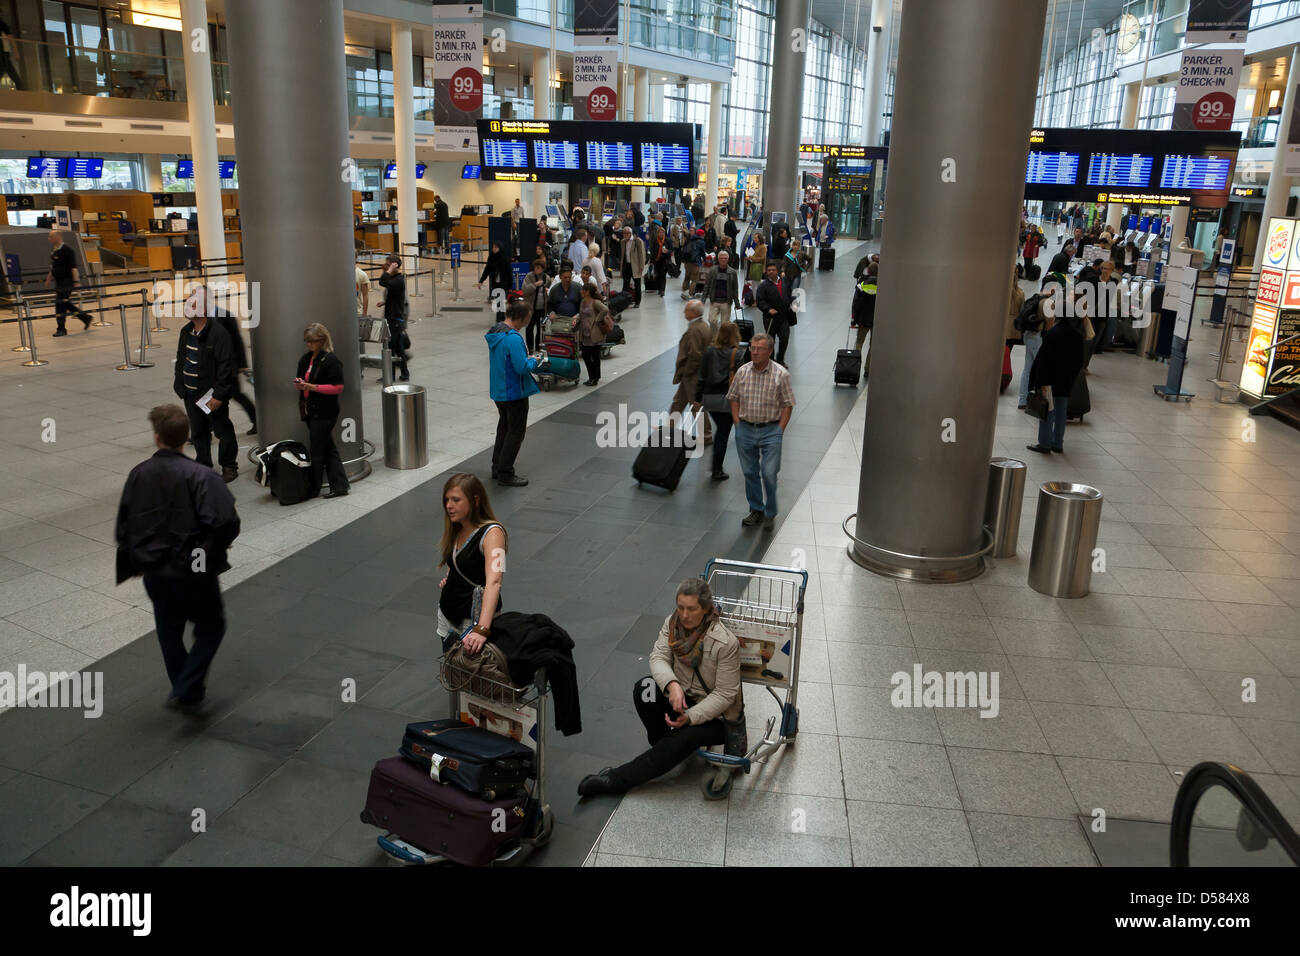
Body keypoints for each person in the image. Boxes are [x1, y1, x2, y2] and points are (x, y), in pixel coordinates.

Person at [116, 404, 239, 712]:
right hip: (193, 570)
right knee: (211, 625)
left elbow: (125, 524)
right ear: (186, 438)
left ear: (157, 438)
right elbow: (225, 521)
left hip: (156, 570)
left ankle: (186, 689)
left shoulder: (138, 474)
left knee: (168, 630)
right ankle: (187, 685)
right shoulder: (201, 476)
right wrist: (208, 552)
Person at [577, 578, 741, 797]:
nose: (684, 615)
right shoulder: (672, 625)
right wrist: (672, 685)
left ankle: (614, 779)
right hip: (681, 697)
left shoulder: (725, 643)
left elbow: (725, 694)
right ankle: (665, 745)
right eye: (680, 607)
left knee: (686, 737)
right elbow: (658, 657)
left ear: (705, 609)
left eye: (691, 609)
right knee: (644, 688)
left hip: (715, 716)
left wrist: (691, 716)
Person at [728, 332, 795, 527]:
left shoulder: (781, 374)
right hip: (746, 429)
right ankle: (756, 509)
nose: (755, 352)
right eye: (752, 348)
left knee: (768, 472)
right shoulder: (742, 372)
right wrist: (737, 424)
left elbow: (788, 404)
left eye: (760, 349)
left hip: (770, 430)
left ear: (770, 351)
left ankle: (771, 510)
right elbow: (733, 398)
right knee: (750, 472)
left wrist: (779, 430)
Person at [436, 473, 508, 653]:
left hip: (473, 621)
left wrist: (482, 629)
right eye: (447, 500)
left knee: (477, 675)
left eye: (456, 500)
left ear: (475, 501)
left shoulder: (493, 534)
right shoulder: (457, 527)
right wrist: (451, 578)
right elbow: (458, 561)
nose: (449, 506)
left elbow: (495, 581)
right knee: (453, 673)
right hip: (447, 616)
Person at [172, 291, 238, 482]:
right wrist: (179, 384)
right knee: (199, 432)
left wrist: (218, 395)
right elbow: (181, 359)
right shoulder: (185, 331)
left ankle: (229, 466)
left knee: (222, 430)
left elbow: (226, 367)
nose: (187, 307)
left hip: (211, 394)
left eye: (192, 305)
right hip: (190, 393)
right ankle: (203, 465)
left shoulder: (219, 334)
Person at [486, 298, 542, 487]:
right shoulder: (513, 338)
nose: (528, 322)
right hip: (514, 392)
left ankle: (497, 466)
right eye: (527, 319)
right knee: (515, 432)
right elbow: (522, 367)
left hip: (499, 391)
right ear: (521, 317)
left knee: (504, 427)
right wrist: (535, 360)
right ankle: (506, 472)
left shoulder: (496, 332)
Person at [191, 284, 257, 437]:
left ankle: (256, 420)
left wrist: (242, 365)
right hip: (209, 369)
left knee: (236, 395)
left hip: (228, 367)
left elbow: (237, 340)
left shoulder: (226, 316)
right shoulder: (199, 317)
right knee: (206, 397)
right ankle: (204, 428)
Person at [293, 323, 350, 499]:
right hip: (310, 409)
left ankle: (313, 488)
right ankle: (340, 485)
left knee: (317, 450)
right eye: (307, 341)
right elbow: (302, 379)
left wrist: (312, 386)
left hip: (325, 412)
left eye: (313, 341)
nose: (309, 345)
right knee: (327, 447)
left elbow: (337, 388)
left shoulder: (331, 361)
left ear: (322, 340)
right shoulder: (305, 359)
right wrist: (301, 384)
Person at [1026, 305, 1086, 455]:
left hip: (1049, 379)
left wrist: (1037, 382)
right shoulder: (1078, 336)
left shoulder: (1052, 334)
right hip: (1066, 380)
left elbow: (1043, 360)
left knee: (1047, 411)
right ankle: (1057, 443)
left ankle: (1045, 444)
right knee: (1061, 412)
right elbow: (1080, 361)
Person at [695, 321, 748, 481]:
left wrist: (698, 398)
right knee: (723, 433)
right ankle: (717, 469)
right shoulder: (738, 354)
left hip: (709, 399)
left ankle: (717, 467)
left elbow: (701, 376)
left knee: (721, 430)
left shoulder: (709, 351)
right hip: (727, 400)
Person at [669, 299, 714, 445]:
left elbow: (695, 355)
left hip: (692, 374)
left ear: (693, 312)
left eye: (686, 310)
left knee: (696, 405)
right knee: (679, 401)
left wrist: (687, 372)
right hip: (694, 373)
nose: (684, 312)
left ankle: (706, 435)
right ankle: (668, 429)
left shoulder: (694, 330)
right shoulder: (703, 325)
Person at [1018, 271, 1058, 409]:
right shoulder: (1048, 302)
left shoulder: (1034, 298)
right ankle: (1039, 403)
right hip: (1039, 338)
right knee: (1041, 370)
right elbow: (1050, 324)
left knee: (1028, 368)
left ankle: (1023, 400)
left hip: (1028, 335)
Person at [45, 230, 94, 336]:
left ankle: (61, 329)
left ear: (58, 237)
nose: (49, 239)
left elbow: (74, 267)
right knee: (64, 302)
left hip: (67, 281)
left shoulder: (67, 250)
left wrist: (76, 282)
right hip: (59, 281)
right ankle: (86, 318)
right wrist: (49, 278)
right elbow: (53, 267)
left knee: (60, 304)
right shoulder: (54, 250)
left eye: (51, 236)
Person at [755, 261, 793, 366]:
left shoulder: (784, 281)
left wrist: (792, 303)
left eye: (773, 270)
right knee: (770, 341)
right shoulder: (763, 286)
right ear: (766, 272)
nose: (771, 272)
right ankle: (770, 361)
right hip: (770, 318)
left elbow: (789, 294)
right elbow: (759, 301)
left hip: (783, 317)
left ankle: (780, 359)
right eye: (769, 270)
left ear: (777, 271)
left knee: (784, 338)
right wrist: (768, 309)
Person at [377, 253, 409, 381]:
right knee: (398, 348)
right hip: (394, 316)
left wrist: (389, 270)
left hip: (395, 319)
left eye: (389, 264)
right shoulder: (395, 279)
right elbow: (394, 294)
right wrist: (385, 302)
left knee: (390, 348)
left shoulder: (398, 279)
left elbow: (382, 281)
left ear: (395, 265)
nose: (386, 266)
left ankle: (390, 376)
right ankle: (404, 374)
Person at [576, 281, 613, 386]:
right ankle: (592, 376)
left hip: (594, 333)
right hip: (585, 333)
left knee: (595, 356)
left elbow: (605, 309)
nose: (581, 291)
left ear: (587, 292)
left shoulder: (595, 302)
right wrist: (577, 320)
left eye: (583, 290)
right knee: (586, 355)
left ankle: (594, 378)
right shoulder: (582, 302)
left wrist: (597, 320)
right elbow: (581, 314)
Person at [700, 249, 740, 331]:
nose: (723, 260)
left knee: (725, 325)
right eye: (721, 258)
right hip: (714, 300)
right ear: (718, 259)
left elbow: (735, 288)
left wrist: (737, 303)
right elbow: (707, 286)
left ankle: (722, 341)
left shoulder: (732, 272)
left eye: (725, 258)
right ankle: (715, 338)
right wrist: (702, 300)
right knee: (711, 320)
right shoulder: (712, 271)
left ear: (728, 259)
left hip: (726, 301)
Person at [851, 261, 878, 378]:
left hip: (862, 319)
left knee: (859, 342)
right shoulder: (882, 286)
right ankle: (867, 369)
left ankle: (855, 367)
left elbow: (855, 304)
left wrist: (854, 319)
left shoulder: (861, 285)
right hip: (876, 321)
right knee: (873, 346)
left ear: (868, 271)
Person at [478, 239, 512, 326]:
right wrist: (481, 281)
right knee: (498, 302)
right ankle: (501, 321)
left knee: (501, 302)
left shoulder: (504, 257)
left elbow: (509, 272)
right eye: (493, 247)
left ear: (500, 248)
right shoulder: (491, 257)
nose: (494, 249)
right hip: (495, 284)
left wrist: (510, 286)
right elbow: (487, 269)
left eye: (496, 247)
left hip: (504, 283)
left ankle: (500, 321)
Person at [521, 258, 549, 353]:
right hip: (531, 308)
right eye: (535, 268)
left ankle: (538, 347)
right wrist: (535, 285)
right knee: (529, 327)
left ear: (542, 268)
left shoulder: (546, 278)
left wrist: (548, 291)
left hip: (542, 308)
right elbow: (524, 289)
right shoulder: (529, 276)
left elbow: (551, 290)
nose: (536, 270)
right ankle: (529, 347)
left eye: (539, 268)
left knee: (540, 328)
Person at [620, 225, 646, 308]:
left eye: (627, 233)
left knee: (637, 285)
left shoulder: (638, 241)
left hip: (635, 266)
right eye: (624, 233)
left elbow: (642, 254)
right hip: (626, 266)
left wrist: (641, 266)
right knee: (625, 285)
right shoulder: (623, 242)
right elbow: (623, 255)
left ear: (630, 233)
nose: (625, 235)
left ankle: (637, 302)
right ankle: (625, 301)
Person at [680, 227, 706, 299]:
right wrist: (704, 260)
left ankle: (684, 292)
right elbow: (702, 253)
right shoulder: (701, 241)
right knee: (695, 279)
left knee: (687, 277)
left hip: (687, 262)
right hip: (695, 262)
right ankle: (690, 294)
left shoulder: (689, 239)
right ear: (702, 235)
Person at [649, 225, 670, 297]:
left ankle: (662, 290)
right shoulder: (655, 240)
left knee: (663, 276)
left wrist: (667, 251)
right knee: (657, 275)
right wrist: (651, 260)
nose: (661, 234)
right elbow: (652, 250)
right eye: (660, 232)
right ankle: (659, 288)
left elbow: (671, 250)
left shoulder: (667, 240)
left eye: (662, 232)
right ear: (657, 233)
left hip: (664, 260)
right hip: (656, 260)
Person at [433, 194, 451, 273]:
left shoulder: (437, 205)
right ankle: (447, 250)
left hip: (440, 224)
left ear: (436, 199)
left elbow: (437, 214)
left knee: (441, 237)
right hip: (446, 223)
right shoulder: (445, 204)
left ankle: (440, 250)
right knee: (446, 237)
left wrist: (434, 214)